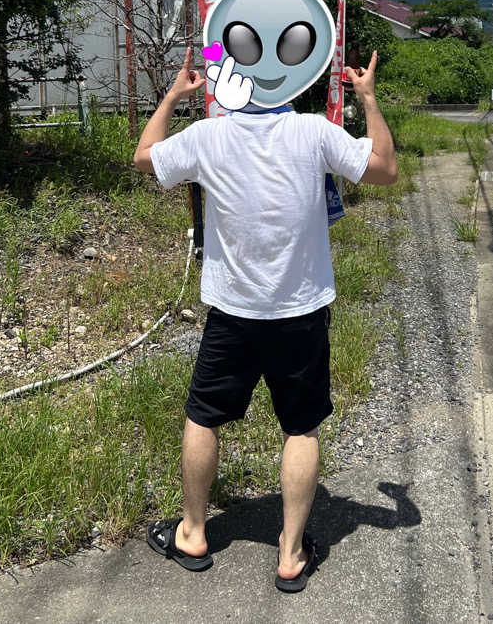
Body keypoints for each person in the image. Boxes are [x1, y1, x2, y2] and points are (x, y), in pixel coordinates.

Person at [133, 45, 397, 592]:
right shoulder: (314, 133)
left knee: (204, 415)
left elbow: (145, 158)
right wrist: (367, 99)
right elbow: (385, 170)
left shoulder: (209, 137)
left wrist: (179, 91)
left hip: (232, 311)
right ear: (291, 79)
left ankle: (193, 533)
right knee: (300, 427)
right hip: (300, 312)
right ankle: (291, 553)